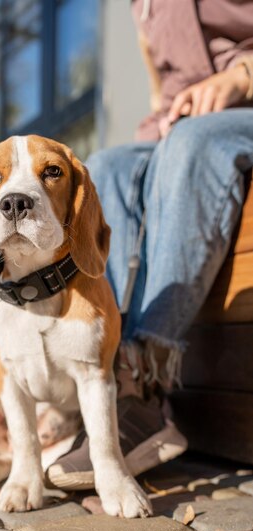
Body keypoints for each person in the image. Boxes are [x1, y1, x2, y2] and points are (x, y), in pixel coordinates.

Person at [45, 0, 253, 490]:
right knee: (109, 165)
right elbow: (162, 86)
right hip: (184, 127)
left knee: (192, 144)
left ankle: (146, 381)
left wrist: (240, 77)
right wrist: (163, 118)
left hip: (239, 112)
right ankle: (119, 377)